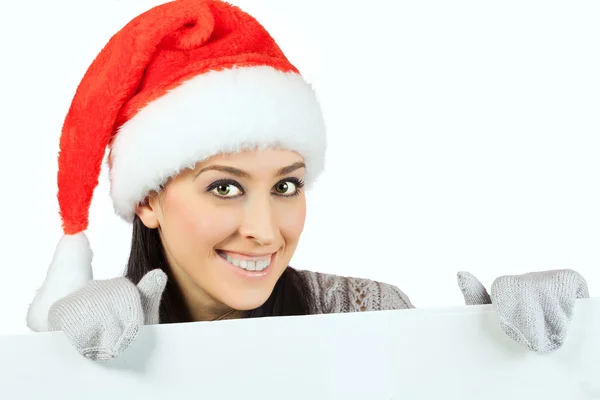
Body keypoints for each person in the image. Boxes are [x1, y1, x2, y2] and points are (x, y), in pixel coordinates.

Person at [26, 0, 590, 362]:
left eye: (286, 186)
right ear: (149, 199)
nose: (265, 231)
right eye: (225, 186)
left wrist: (518, 358)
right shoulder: (99, 337)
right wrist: (71, 371)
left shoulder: (370, 314)